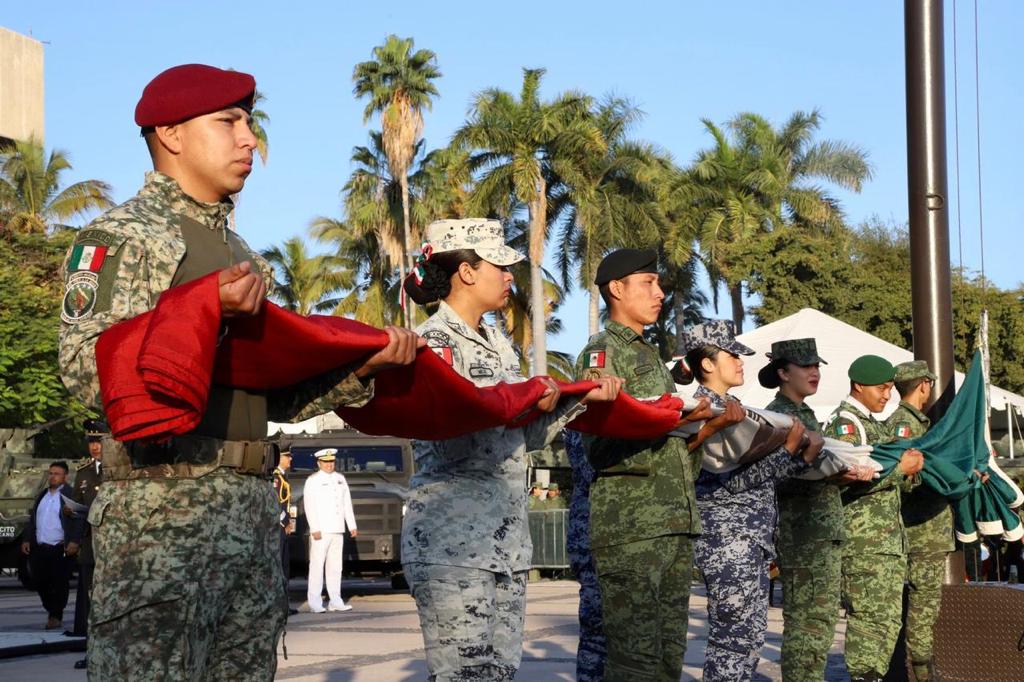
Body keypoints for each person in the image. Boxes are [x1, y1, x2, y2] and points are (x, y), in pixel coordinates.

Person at [56, 63, 421, 681]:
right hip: (161, 517)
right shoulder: (121, 238)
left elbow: (269, 393)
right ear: (171, 133)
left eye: (248, 121)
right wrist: (197, 310)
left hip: (248, 516)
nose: (250, 138)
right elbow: (84, 369)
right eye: (229, 121)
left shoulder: (243, 252)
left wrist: (362, 367)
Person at [401, 218, 622, 681]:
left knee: (499, 675)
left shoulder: (499, 340)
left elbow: (526, 437)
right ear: (466, 272)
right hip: (453, 543)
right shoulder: (435, 343)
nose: (509, 277)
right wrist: (524, 400)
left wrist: (574, 399)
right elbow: (455, 430)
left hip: (505, 544)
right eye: (499, 266)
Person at [575, 248, 713, 682]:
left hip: (672, 519)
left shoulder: (649, 354)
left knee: (669, 657)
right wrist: (669, 419)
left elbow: (672, 445)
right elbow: (596, 446)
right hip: (631, 527)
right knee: (635, 662)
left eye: (658, 284)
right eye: (648, 284)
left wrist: (695, 425)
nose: (659, 293)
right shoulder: (602, 353)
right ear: (617, 289)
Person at [682, 322, 822, 682]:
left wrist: (792, 456)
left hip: (749, 540)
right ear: (708, 364)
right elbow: (727, 483)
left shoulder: (732, 408)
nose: (741, 362)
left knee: (750, 640)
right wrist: (790, 452)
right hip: (728, 541)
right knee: (732, 642)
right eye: (732, 356)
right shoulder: (704, 411)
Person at [824, 355, 925, 682]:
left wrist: (910, 473)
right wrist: (899, 471)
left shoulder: (874, 425)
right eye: (882, 388)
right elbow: (845, 481)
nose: (887, 396)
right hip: (864, 544)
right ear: (859, 386)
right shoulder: (846, 425)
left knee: (886, 623)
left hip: (885, 545)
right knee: (870, 626)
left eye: (891, 389)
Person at [760, 339, 845, 681]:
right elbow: (772, 478)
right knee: (806, 629)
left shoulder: (805, 415)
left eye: (817, 366)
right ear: (783, 372)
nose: (815, 372)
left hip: (821, 536)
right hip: (803, 538)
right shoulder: (778, 419)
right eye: (806, 366)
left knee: (820, 628)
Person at [887, 360, 950, 681]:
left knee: (919, 608)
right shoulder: (905, 425)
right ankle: (923, 673)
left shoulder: (912, 422)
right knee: (923, 608)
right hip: (921, 532)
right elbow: (908, 476)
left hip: (923, 531)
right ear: (924, 384)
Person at [564, 428, 606, 681]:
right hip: (592, 531)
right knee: (596, 632)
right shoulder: (584, 418)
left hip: (603, 529)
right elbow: (591, 467)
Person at [68, 420, 108, 669]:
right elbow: (76, 508)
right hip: (89, 547)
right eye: (92, 442)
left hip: (111, 547)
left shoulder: (117, 469)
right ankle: (92, 652)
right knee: (89, 602)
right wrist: (73, 538)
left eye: (99, 441)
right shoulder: (83, 472)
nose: (95, 447)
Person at [21, 461, 78, 630]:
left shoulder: (70, 495)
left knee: (59, 582)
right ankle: (51, 608)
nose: (52, 476)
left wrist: (73, 541)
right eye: (51, 473)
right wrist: (26, 539)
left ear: (65, 476)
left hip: (60, 547)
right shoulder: (42, 495)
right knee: (40, 581)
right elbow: (33, 520)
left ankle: (55, 615)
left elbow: (77, 521)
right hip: (39, 546)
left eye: (57, 474)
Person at [304, 448, 358, 613]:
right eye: (326, 462)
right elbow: (309, 505)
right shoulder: (313, 480)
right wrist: (314, 527)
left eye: (331, 461)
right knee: (317, 566)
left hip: (337, 528)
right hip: (322, 529)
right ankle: (315, 602)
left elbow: (346, 503)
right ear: (319, 463)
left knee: (336, 567)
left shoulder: (340, 479)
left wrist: (352, 525)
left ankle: (336, 600)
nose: (329, 465)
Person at [272, 447, 298, 616]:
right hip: (278, 528)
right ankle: (280, 606)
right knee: (280, 566)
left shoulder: (281, 476)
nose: (290, 460)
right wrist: (286, 522)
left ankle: (284, 604)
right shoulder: (276, 478)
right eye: (287, 457)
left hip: (283, 527)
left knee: (285, 566)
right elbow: (275, 503)